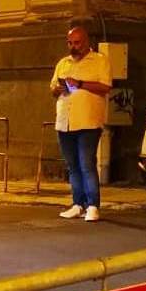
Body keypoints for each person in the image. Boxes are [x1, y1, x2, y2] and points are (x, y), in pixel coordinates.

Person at [50, 24, 112, 222]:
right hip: (64, 122)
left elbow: (105, 86)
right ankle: (78, 204)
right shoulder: (63, 63)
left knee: (86, 164)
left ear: (86, 42)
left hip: (88, 121)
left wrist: (80, 84)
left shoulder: (99, 61)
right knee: (72, 166)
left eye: (77, 42)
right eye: (70, 42)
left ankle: (93, 205)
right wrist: (57, 90)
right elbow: (52, 88)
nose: (73, 46)